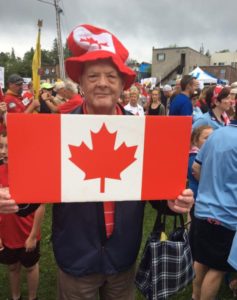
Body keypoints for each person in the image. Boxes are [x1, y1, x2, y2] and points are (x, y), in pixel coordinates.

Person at [0, 24, 194, 300]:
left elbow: (157, 193)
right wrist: (15, 199)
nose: (102, 82)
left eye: (110, 76)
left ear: (122, 84)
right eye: (93, 76)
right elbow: (34, 191)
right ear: (81, 82)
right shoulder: (58, 130)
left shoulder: (144, 132)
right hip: (76, 256)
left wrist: (174, 202)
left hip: (122, 256)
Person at [191, 102, 237, 300]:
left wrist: (210, 188)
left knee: (201, 260)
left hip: (202, 210)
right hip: (227, 216)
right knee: (217, 269)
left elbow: (196, 167)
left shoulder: (216, 134)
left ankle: (194, 296)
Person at [0, 132, 45, 300]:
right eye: (1, 146)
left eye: (8, 147)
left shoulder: (29, 173)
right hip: (7, 234)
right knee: (12, 267)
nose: (3, 151)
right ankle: (15, 296)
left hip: (28, 233)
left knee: (31, 266)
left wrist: (33, 236)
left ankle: (32, 297)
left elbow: (40, 205)